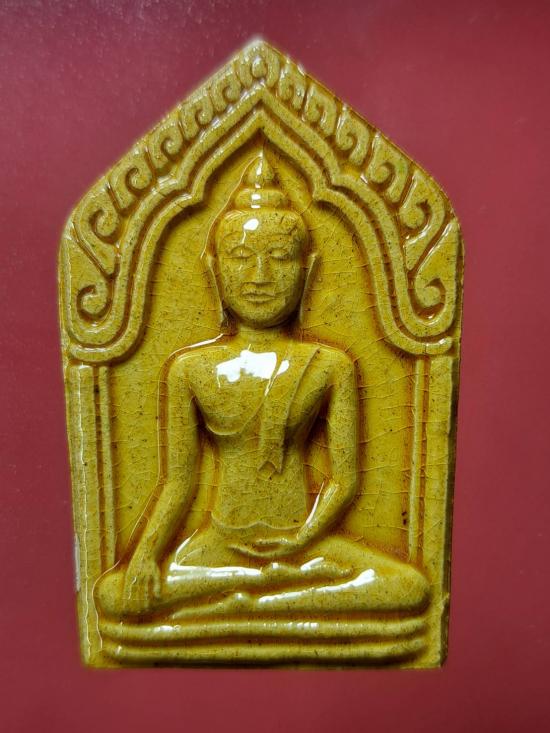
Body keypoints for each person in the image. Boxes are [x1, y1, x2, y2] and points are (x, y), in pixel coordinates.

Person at [97, 152, 429, 619]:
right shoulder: (191, 369)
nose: (259, 276)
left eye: (279, 258)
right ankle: (259, 588)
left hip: (304, 544)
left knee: (411, 587)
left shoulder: (329, 365)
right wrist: (147, 554)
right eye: (241, 258)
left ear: (307, 271)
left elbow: (344, 479)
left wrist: (303, 538)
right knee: (112, 595)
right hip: (220, 544)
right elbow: (179, 482)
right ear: (214, 270)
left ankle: (245, 597)